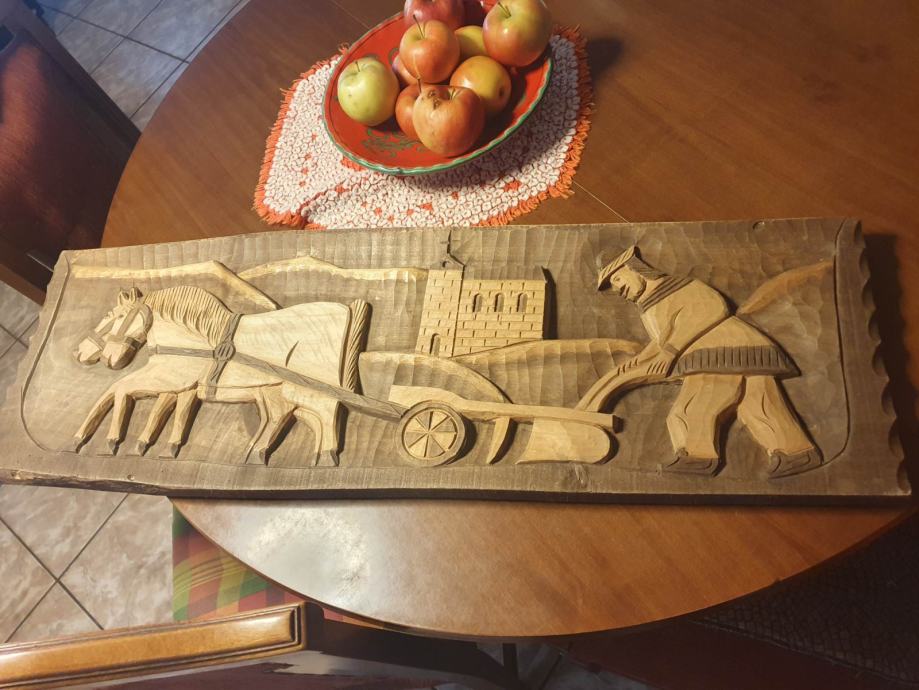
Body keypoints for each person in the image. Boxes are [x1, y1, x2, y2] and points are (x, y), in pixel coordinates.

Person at [580, 246, 822, 478]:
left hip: (719, 352)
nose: (617, 289)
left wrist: (670, 353)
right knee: (759, 405)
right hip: (741, 349)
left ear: (633, 268)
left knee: (693, 408)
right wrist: (642, 359)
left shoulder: (681, 287)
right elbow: (664, 337)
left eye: (617, 279)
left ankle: (698, 457)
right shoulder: (651, 303)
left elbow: (712, 310)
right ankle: (797, 453)